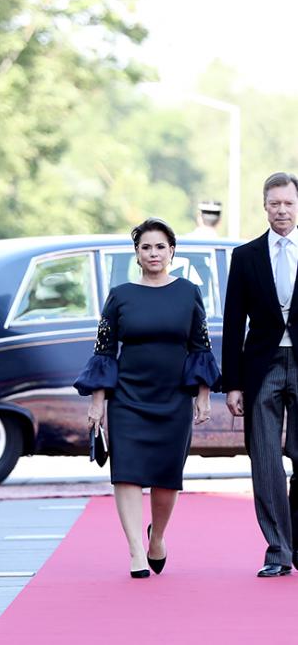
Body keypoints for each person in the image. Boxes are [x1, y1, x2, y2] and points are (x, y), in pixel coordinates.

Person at [74, 217, 220, 578]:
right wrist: (97, 402)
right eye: (145, 247)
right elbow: (104, 351)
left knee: (167, 478)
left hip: (173, 397)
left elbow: (200, 345)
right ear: (136, 254)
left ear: (172, 251)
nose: (153, 253)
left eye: (160, 246)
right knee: (126, 473)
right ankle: (136, 550)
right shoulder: (120, 295)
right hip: (128, 398)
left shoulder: (188, 292)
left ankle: (157, 537)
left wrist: (202, 395)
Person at [223, 172, 298, 578]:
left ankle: (296, 540)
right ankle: (278, 551)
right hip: (262, 368)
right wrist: (232, 382)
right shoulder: (246, 256)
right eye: (275, 204)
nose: (281, 210)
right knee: (266, 461)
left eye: (288, 203)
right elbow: (233, 323)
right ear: (264, 206)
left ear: (297, 205)